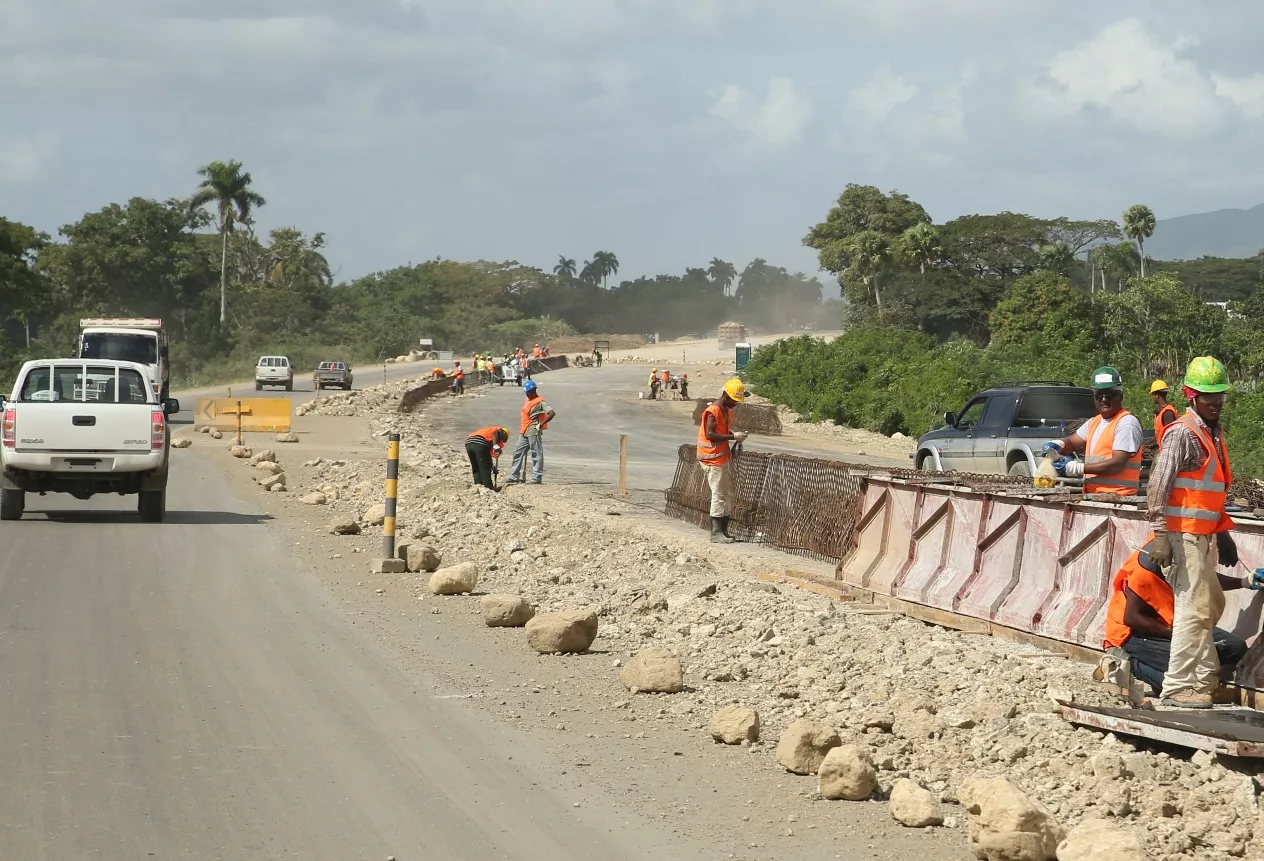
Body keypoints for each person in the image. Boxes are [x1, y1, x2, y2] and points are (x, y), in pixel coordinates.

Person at [1144, 356, 1239, 708]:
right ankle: (1179, 685)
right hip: (1180, 535)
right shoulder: (1183, 433)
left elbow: (1206, 492)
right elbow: (1158, 484)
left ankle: (1203, 678)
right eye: (1207, 395)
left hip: (1201, 536)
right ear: (1190, 395)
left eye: (1219, 395)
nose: (1215, 401)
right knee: (1193, 608)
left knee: (1211, 603)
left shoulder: (1212, 433)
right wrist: (1159, 534)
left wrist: (1223, 532)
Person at [1102, 532, 1258, 698]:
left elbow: (1204, 578)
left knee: (1234, 647)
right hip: (1133, 633)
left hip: (1172, 620)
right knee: (1183, 678)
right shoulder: (1147, 569)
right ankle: (1125, 662)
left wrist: (1244, 582)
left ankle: (1184, 676)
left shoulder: (1181, 550)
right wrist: (1179, 636)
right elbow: (1132, 617)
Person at [1041, 366, 1143, 495]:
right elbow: (1072, 442)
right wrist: (1058, 445)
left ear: (1120, 396)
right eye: (1099, 395)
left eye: (1109, 395)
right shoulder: (1094, 422)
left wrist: (1077, 468)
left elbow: (1117, 464)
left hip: (1119, 499)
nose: (1104, 399)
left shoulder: (1126, 422)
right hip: (1096, 495)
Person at [697, 379, 750, 543]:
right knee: (719, 493)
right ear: (726, 395)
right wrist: (732, 436)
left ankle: (723, 531)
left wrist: (734, 435)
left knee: (727, 493)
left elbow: (722, 430)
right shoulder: (713, 411)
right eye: (734, 400)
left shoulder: (725, 410)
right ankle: (716, 532)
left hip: (721, 457)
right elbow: (711, 434)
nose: (735, 404)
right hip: (712, 458)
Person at [507, 380, 555, 485]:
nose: (526, 394)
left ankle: (537, 477)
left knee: (536, 453)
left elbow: (551, 413)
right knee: (518, 452)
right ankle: (514, 476)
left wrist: (541, 424)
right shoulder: (528, 400)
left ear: (532, 391)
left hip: (533, 430)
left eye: (527, 392)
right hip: (524, 430)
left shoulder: (540, 401)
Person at [1151, 379, 1179, 447]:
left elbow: (1172, 437)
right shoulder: (1161, 412)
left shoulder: (1168, 413)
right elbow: (1160, 434)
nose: (1152, 397)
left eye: (1153, 395)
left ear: (1157, 396)